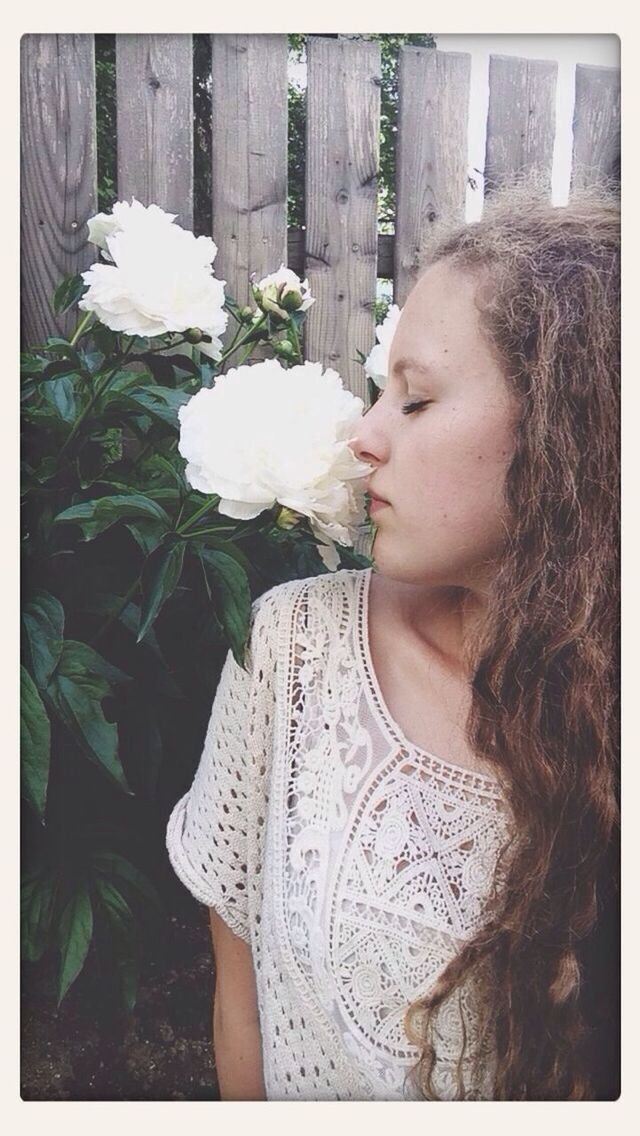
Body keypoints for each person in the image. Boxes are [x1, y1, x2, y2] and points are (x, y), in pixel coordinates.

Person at [165, 181, 620, 1101]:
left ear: (570, 436)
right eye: (383, 389)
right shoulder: (292, 646)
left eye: (414, 401)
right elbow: (241, 983)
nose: (364, 434)